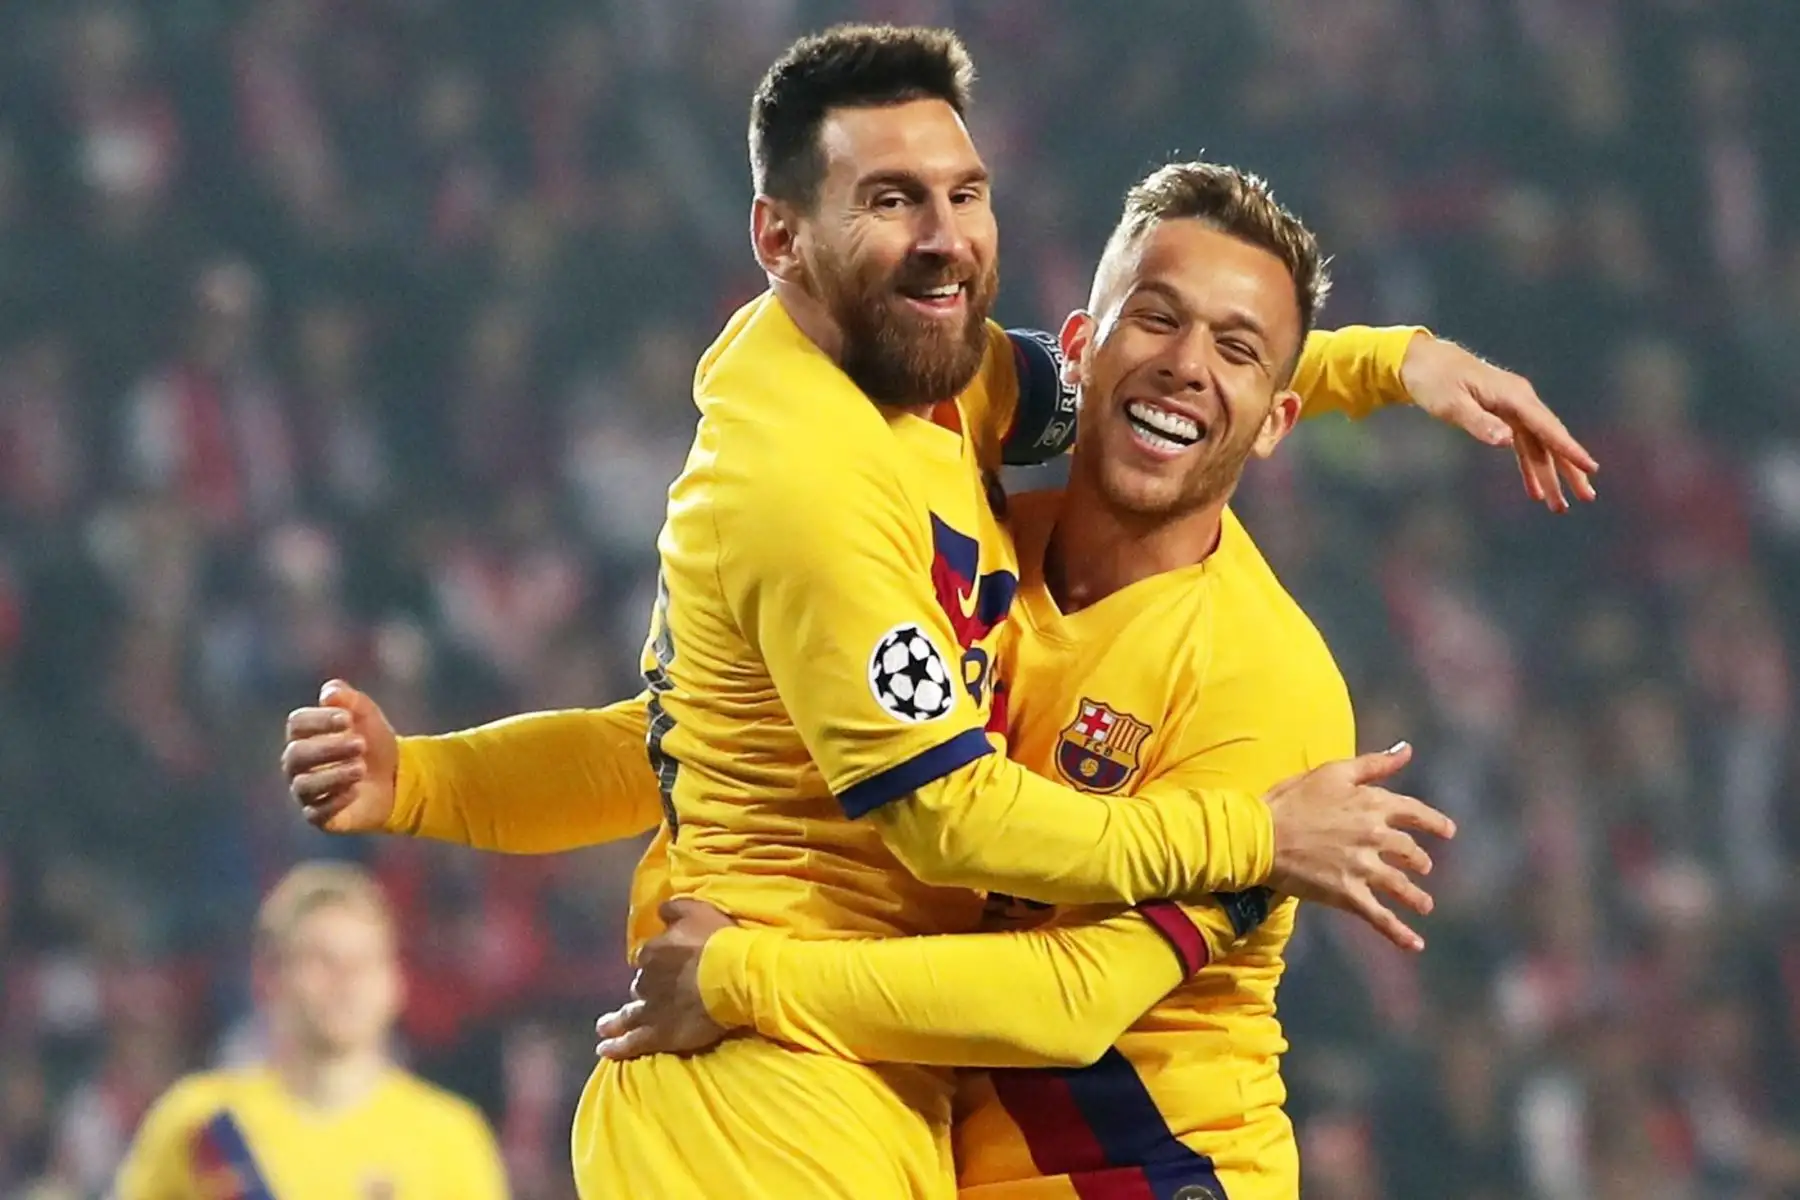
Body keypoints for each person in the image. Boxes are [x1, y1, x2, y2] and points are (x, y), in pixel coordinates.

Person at [280, 25, 1592, 1200]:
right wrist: (1245, 836)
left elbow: (1062, 988)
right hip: (764, 1092)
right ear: (780, 237)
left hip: (1070, 1154)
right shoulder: (818, 491)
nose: (943, 237)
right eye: (892, 199)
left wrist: (1394, 360)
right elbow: (938, 812)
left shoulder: (1225, 651)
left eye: (964, 195)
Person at [585, 159, 1438, 1200]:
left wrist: (742, 980)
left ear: (1273, 421)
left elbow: (1070, 998)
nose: (1185, 367)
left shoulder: (1269, 692)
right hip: (924, 1154)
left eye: (1237, 349)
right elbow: (714, 736)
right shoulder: (969, 553)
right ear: (1080, 352)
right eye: (1157, 320)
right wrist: (427, 785)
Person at [114, 862, 508, 1200]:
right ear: (268, 978)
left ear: (395, 983)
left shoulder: (449, 1138)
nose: (346, 980)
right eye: (322, 960)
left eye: (364, 961)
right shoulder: (200, 1122)